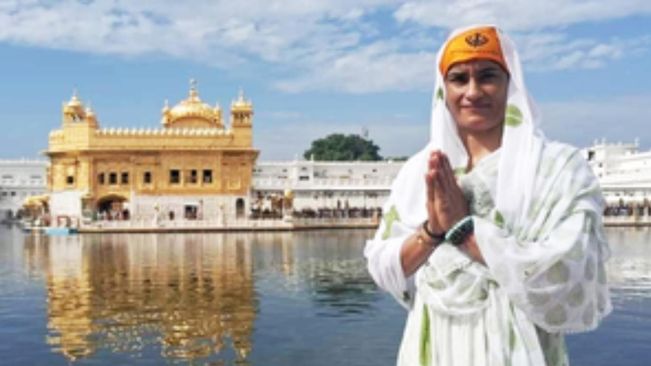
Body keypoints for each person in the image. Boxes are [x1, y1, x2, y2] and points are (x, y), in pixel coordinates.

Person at [364, 24, 611, 366]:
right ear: (442, 90)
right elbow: (383, 267)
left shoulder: (556, 169)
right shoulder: (420, 171)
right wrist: (433, 233)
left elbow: (569, 273)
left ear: (511, 84)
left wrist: (465, 232)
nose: (473, 91)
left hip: (519, 350)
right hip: (436, 344)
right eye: (459, 79)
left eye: (488, 75)